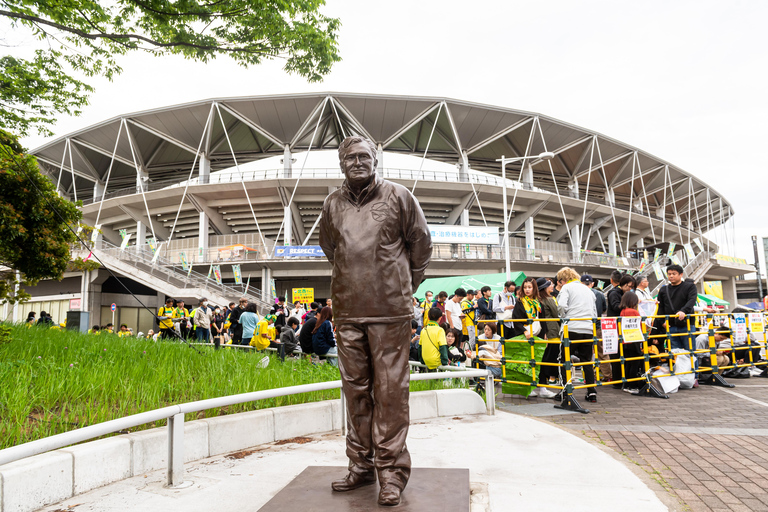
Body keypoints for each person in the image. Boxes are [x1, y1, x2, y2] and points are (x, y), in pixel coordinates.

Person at [319, 135, 432, 506]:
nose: (357, 162)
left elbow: (421, 244)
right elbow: (330, 247)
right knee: (356, 393)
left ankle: (392, 473)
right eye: (349, 157)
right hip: (348, 311)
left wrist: (402, 283)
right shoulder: (332, 204)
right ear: (340, 163)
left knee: (391, 394)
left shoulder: (399, 196)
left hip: (390, 312)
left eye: (364, 156)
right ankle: (361, 466)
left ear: (375, 159)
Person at [556, 267, 598, 403]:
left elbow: (561, 306)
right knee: (587, 361)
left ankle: (565, 391)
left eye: (559, 281)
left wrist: (564, 317)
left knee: (564, 360)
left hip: (571, 328)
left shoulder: (567, 288)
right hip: (587, 329)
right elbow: (594, 312)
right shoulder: (588, 290)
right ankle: (592, 392)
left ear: (563, 279)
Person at [654, 264, 698, 356]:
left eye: (674, 274)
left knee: (690, 352)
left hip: (687, 324)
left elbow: (691, 301)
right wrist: (662, 322)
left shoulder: (689, 286)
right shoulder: (663, 289)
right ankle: (678, 370)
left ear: (681, 274)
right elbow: (660, 307)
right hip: (670, 326)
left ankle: (693, 370)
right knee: (674, 354)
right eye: (669, 274)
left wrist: (683, 311)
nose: (671, 276)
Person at [534, 278, 560, 399]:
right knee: (549, 360)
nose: (552, 286)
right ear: (544, 288)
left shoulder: (537, 300)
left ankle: (541, 385)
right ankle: (546, 385)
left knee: (541, 359)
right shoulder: (549, 300)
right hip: (552, 333)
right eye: (549, 285)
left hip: (541, 333)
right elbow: (557, 314)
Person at [619, 291, 645, 392]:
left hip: (625, 341)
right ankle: (633, 386)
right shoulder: (634, 312)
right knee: (635, 363)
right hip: (634, 340)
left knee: (628, 363)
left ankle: (626, 385)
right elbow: (640, 327)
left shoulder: (623, 311)